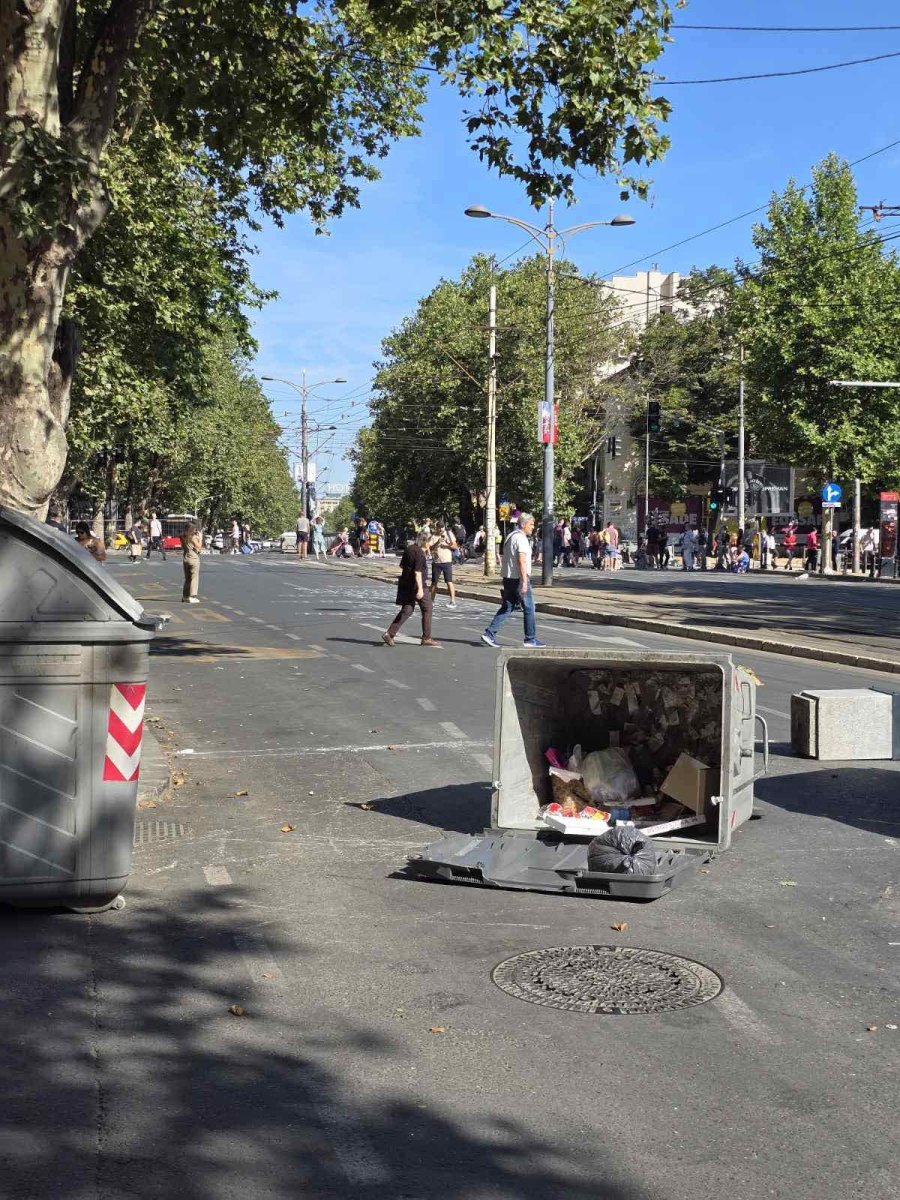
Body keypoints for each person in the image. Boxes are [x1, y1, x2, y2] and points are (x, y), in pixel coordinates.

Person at [481, 513, 544, 648]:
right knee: (529, 607)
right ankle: (530, 638)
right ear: (523, 524)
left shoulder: (510, 536)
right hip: (518, 578)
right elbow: (521, 561)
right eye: (531, 524)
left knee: (508, 606)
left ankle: (489, 633)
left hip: (508, 577)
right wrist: (524, 581)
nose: (533, 527)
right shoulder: (521, 539)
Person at [382, 532, 440, 647]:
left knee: (407, 609)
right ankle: (426, 638)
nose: (430, 544)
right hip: (417, 585)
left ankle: (389, 634)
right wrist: (420, 589)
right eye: (429, 542)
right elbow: (418, 572)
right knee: (427, 607)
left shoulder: (409, 549)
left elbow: (402, 565)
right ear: (425, 542)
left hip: (406, 583)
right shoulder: (419, 554)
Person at [429, 521, 458, 609]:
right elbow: (430, 548)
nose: (441, 529)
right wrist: (437, 542)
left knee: (449, 581)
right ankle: (431, 601)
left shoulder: (449, 534)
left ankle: (452, 601)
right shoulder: (433, 536)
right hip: (436, 562)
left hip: (447, 561)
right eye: (439, 527)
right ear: (436, 528)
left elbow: (455, 546)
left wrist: (447, 544)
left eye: (442, 527)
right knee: (434, 582)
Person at [180, 521, 202, 603]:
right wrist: (200, 538)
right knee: (194, 578)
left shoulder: (183, 536)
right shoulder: (193, 537)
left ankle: (185, 596)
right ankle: (192, 596)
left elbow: (184, 546)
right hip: (193, 558)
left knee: (187, 578)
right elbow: (199, 547)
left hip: (186, 557)